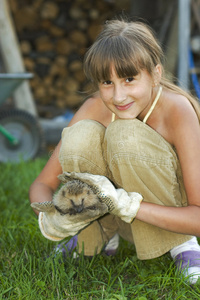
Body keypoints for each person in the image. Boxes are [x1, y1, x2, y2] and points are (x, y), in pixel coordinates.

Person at [29, 18, 200, 284]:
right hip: (112, 217)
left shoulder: (177, 110)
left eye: (129, 79)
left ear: (156, 74)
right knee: (81, 134)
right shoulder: (95, 107)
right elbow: (42, 183)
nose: (118, 96)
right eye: (107, 82)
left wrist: (126, 204)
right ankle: (97, 232)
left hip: (167, 217)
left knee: (124, 133)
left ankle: (182, 245)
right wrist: (53, 216)